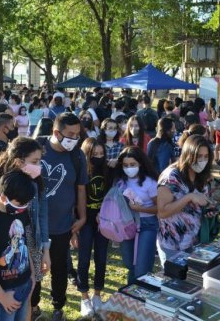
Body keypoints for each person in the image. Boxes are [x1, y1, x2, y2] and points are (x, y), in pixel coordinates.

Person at [40, 113, 88, 321]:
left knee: (59, 269)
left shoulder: (77, 156)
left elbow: (80, 189)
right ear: (56, 132)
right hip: (34, 224)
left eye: (78, 134)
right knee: (34, 269)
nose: (75, 139)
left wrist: (82, 217)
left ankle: (58, 305)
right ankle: (33, 307)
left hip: (62, 225)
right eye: (70, 134)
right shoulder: (37, 148)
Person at [0, 171, 35, 321]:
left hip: (25, 282)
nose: (24, 207)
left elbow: (26, 245)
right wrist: (2, 296)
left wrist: (32, 276)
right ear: (4, 198)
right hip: (5, 290)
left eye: (26, 203)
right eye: (20, 204)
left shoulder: (21, 211)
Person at [156, 135, 213, 265]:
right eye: (199, 156)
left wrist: (208, 209)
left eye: (206, 157)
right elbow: (162, 212)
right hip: (173, 244)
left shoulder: (201, 175)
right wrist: (189, 197)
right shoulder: (171, 177)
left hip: (195, 241)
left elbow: (200, 202)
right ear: (189, 154)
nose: (202, 161)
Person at [114, 146, 160, 284]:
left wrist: (140, 209)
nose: (129, 168)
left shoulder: (150, 182)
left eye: (132, 164)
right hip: (127, 224)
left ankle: (141, 294)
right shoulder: (120, 180)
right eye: (125, 165)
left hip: (147, 225)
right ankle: (132, 294)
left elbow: (160, 208)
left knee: (142, 268)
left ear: (140, 163)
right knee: (129, 263)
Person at [76, 138, 110, 316]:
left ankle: (97, 294)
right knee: (83, 260)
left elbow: (111, 195)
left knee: (101, 258)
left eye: (101, 153)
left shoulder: (107, 170)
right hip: (85, 221)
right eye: (94, 154)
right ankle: (84, 297)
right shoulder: (81, 171)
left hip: (102, 221)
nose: (98, 157)